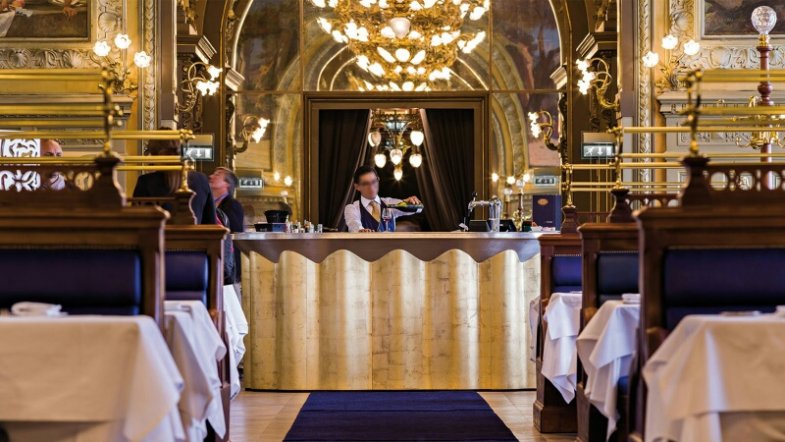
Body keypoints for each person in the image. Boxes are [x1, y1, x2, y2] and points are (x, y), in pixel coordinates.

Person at [132, 137, 216, 225]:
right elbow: (211, 223)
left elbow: (136, 223)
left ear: (155, 155)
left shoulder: (145, 182)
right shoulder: (201, 179)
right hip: (195, 238)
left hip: (159, 238)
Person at [344, 165, 422, 233]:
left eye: (374, 181)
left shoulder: (388, 203)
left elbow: (418, 209)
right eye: (365, 184)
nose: (371, 187)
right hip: (366, 248)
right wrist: (360, 231)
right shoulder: (352, 208)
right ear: (357, 186)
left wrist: (413, 203)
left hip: (390, 248)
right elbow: (353, 224)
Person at [209, 167, 245, 284]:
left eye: (217, 175)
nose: (211, 176)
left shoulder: (233, 205)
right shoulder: (210, 203)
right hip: (216, 259)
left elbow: (235, 236)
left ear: (227, 184)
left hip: (229, 265)